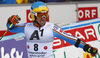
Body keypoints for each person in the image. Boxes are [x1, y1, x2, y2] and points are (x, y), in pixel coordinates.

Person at [6, 1, 98, 58]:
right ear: (33, 15)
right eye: (40, 15)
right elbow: (11, 29)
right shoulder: (26, 27)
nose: (43, 18)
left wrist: (87, 48)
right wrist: (10, 22)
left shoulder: (51, 28)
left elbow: (71, 39)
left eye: (45, 14)